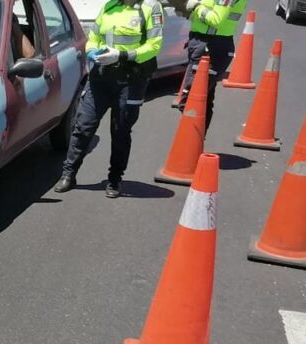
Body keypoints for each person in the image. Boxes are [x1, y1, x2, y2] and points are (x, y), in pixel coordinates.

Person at [53, 0, 164, 198]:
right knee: (83, 126)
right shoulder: (110, 5)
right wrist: (92, 51)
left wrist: (122, 55)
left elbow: (154, 46)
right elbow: (94, 36)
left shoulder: (150, 7)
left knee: (120, 131)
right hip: (101, 77)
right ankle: (68, 174)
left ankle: (115, 179)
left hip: (130, 80)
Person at [177, 0, 248, 130]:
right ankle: (194, 140)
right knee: (203, 100)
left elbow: (216, 20)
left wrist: (197, 7)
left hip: (212, 46)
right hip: (201, 42)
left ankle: (191, 138)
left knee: (191, 100)